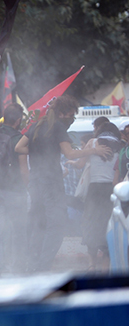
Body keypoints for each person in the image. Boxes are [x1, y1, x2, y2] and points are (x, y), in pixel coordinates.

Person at [15, 95, 111, 272]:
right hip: (51, 183)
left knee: (38, 223)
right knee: (57, 226)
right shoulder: (58, 127)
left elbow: (19, 148)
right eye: (72, 115)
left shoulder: (37, 125)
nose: (72, 119)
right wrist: (94, 150)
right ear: (63, 113)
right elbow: (69, 154)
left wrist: (40, 149)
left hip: (36, 182)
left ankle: (32, 265)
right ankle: (43, 267)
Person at [72, 122, 122, 272]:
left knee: (92, 225)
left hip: (94, 190)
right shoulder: (121, 145)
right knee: (109, 226)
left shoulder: (92, 143)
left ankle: (92, 265)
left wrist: (71, 163)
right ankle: (106, 267)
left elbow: (80, 164)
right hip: (112, 190)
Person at [0, 104, 27, 275]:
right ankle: (18, 267)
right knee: (18, 229)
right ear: (18, 121)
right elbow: (24, 169)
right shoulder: (19, 138)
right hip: (16, 189)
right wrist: (28, 188)